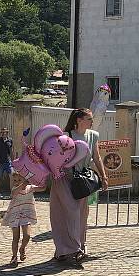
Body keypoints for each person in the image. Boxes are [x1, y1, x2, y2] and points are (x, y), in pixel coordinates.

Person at [49, 108, 108, 267]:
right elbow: (54, 157)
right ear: (79, 120)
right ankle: (69, 249)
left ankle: (78, 247)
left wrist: (103, 176)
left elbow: (96, 157)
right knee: (67, 214)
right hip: (64, 179)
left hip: (82, 181)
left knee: (81, 215)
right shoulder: (66, 136)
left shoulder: (93, 136)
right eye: (89, 118)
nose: (92, 121)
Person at [2, 172, 40, 266]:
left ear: (25, 179)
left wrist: (42, 177)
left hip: (26, 214)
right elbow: (14, 193)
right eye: (15, 180)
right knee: (16, 237)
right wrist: (22, 184)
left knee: (27, 235)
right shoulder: (15, 189)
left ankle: (22, 248)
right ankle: (14, 256)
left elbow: (42, 187)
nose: (17, 182)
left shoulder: (30, 188)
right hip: (15, 215)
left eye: (19, 180)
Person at [0, 128, 13, 198]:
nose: (4, 134)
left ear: (7, 133)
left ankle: (12, 193)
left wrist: (13, 161)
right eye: (2, 132)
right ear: (0, 133)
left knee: (12, 176)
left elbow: (11, 151)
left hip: (8, 162)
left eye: (5, 132)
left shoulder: (10, 140)